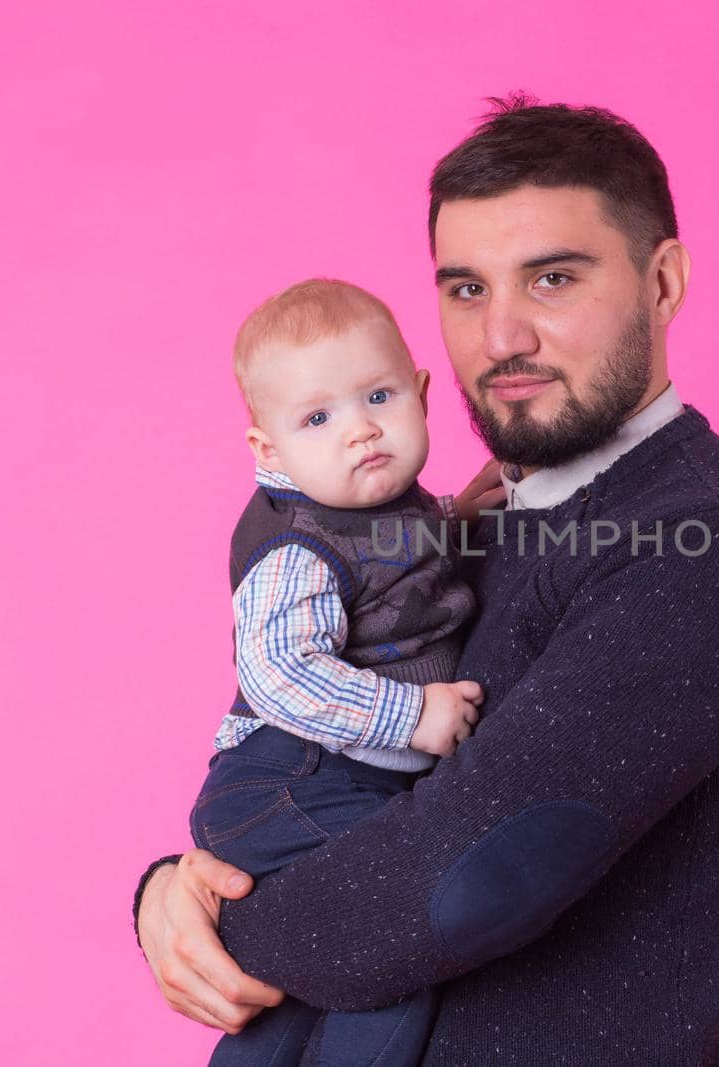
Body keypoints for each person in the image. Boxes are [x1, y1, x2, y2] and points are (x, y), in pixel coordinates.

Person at [136, 97, 719, 1066]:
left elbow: (459, 877)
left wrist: (213, 916)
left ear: (661, 280)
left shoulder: (707, 545)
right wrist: (169, 886)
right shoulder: (457, 519)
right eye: (465, 289)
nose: (502, 333)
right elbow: (301, 730)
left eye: (552, 278)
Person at [189, 278, 500, 1066]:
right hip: (287, 778)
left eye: (379, 396)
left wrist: (457, 521)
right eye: (318, 418)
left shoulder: (383, 503)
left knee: (292, 977)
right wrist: (410, 717)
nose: (360, 430)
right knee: (398, 924)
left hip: (336, 780)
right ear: (269, 449)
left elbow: (399, 574)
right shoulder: (298, 543)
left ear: (423, 394)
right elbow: (279, 672)